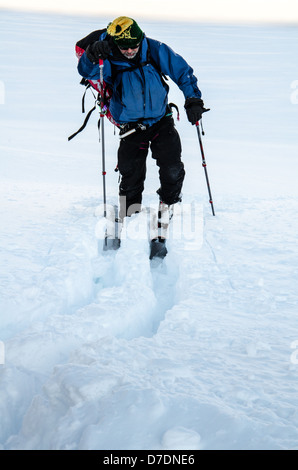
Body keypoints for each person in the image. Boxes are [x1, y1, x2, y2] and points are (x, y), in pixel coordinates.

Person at [75, 16, 209, 222]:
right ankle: (130, 213)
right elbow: (87, 71)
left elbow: (182, 71)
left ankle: (169, 205)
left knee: (172, 167)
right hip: (131, 126)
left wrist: (193, 99)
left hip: (160, 119)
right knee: (131, 174)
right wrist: (92, 55)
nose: (129, 51)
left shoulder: (154, 49)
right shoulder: (108, 56)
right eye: (124, 48)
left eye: (134, 46)